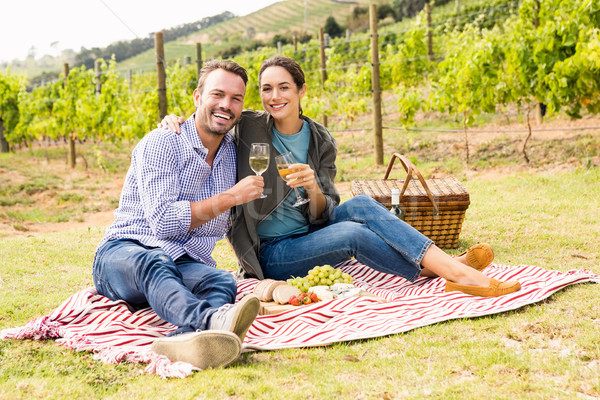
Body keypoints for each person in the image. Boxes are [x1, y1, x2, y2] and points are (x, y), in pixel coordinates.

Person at [161, 55, 521, 298]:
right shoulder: (250, 125)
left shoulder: (320, 139)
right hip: (271, 253)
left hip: (313, 233)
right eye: (266, 88)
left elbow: (322, 214)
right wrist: (174, 120)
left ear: (301, 91)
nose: (274, 96)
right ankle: (454, 272)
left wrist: (314, 186)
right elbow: (213, 111)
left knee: (362, 205)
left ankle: (442, 268)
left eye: (284, 87)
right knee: (351, 234)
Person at [93, 60, 263, 371]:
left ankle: (186, 339)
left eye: (236, 98)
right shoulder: (163, 142)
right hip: (125, 254)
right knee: (155, 260)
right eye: (217, 94)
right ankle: (211, 320)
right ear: (198, 97)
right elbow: (165, 223)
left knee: (221, 280)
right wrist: (232, 197)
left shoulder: (231, 151)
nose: (226, 104)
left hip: (181, 262)